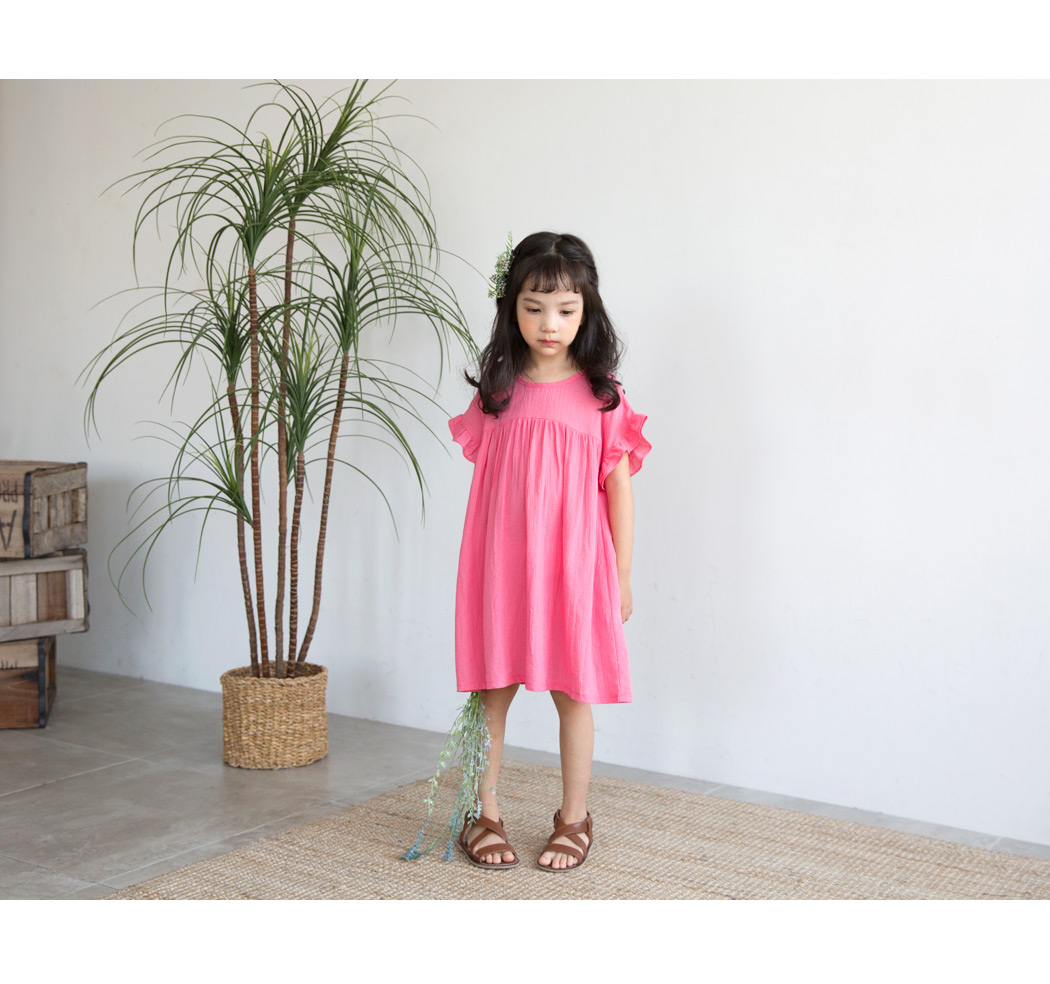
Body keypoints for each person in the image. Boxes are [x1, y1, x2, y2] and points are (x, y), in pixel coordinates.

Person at [449, 232, 651, 871]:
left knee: (574, 691)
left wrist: (621, 574)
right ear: (511, 307)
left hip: (574, 566)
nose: (549, 324)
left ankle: (574, 817)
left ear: (587, 312)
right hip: (503, 566)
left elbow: (618, 489)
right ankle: (482, 812)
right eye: (534, 308)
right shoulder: (497, 392)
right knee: (493, 691)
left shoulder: (601, 396)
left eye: (566, 310)